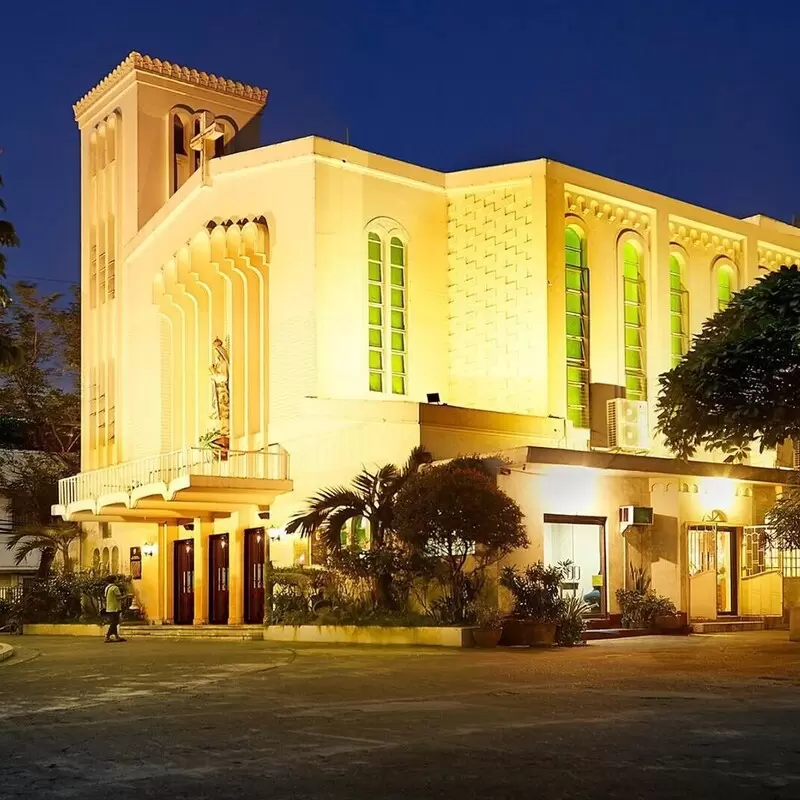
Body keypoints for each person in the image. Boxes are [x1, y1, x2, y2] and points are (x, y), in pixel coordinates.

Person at [103, 576, 127, 643]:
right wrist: (127, 596)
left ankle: (116, 636)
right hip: (115, 608)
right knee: (114, 623)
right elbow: (118, 598)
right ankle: (107, 636)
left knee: (114, 622)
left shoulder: (107, 588)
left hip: (109, 607)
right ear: (114, 580)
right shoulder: (115, 588)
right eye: (116, 579)